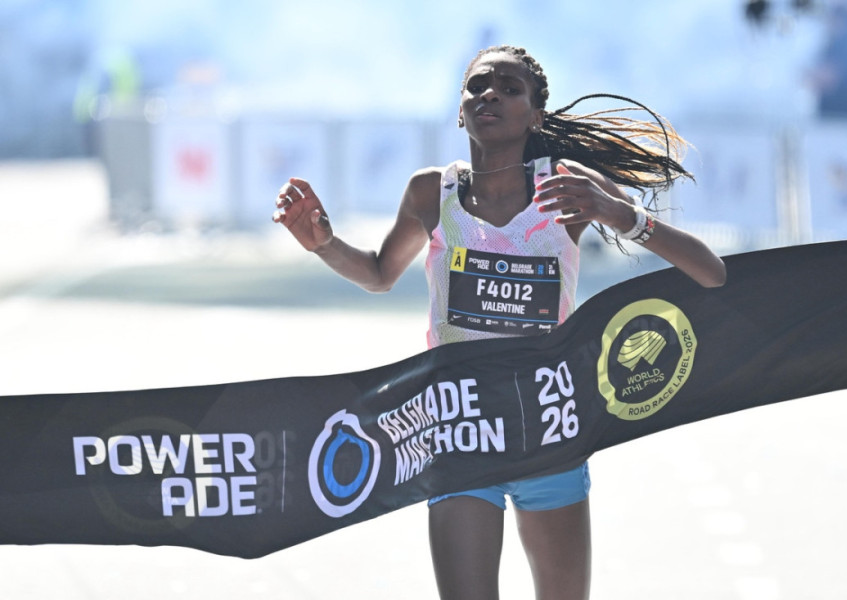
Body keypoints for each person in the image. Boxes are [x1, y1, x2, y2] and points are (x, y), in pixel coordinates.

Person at [274, 45, 726, 600]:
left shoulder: (565, 186)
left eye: (510, 89)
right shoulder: (431, 193)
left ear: (535, 116)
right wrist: (324, 244)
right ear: (460, 110)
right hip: (460, 432)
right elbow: (378, 273)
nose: (489, 94)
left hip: (548, 434)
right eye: (477, 86)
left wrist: (618, 213)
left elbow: (711, 273)